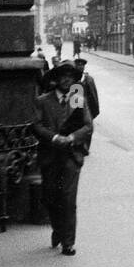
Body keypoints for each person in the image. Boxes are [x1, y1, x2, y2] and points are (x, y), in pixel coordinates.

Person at [32, 59, 92, 255]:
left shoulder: (77, 99)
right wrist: (55, 137)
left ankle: (68, 242)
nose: (67, 80)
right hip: (50, 154)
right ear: (56, 79)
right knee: (50, 197)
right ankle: (57, 229)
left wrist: (73, 138)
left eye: (71, 77)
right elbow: (36, 126)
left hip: (71, 155)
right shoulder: (43, 100)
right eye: (63, 76)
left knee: (67, 199)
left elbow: (88, 126)